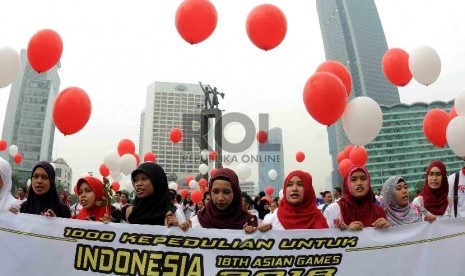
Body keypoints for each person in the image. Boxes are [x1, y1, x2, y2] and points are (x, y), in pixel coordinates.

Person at [257, 170, 329, 231]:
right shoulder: (271, 220)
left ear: (308, 190)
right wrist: (255, 232)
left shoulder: (321, 220)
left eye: (300, 184)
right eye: (290, 185)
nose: (294, 188)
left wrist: (339, 230)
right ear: (285, 189)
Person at [190, 168, 258, 230]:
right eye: (215, 192)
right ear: (210, 192)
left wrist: (264, 232)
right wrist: (183, 230)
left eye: (226, 192)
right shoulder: (197, 222)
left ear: (235, 193)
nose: (220, 198)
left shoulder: (249, 222)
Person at [122, 162, 186, 227]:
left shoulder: (173, 215)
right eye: (136, 180)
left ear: (157, 181)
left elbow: (183, 235)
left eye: (144, 179)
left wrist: (177, 228)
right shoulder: (130, 212)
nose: (138, 184)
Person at [324, 166, 388, 230]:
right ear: (347, 184)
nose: (359, 183)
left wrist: (385, 229)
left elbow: (385, 238)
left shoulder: (379, 211)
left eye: (363, 178)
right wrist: (346, 232)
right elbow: (325, 237)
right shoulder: (334, 210)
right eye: (353, 179)